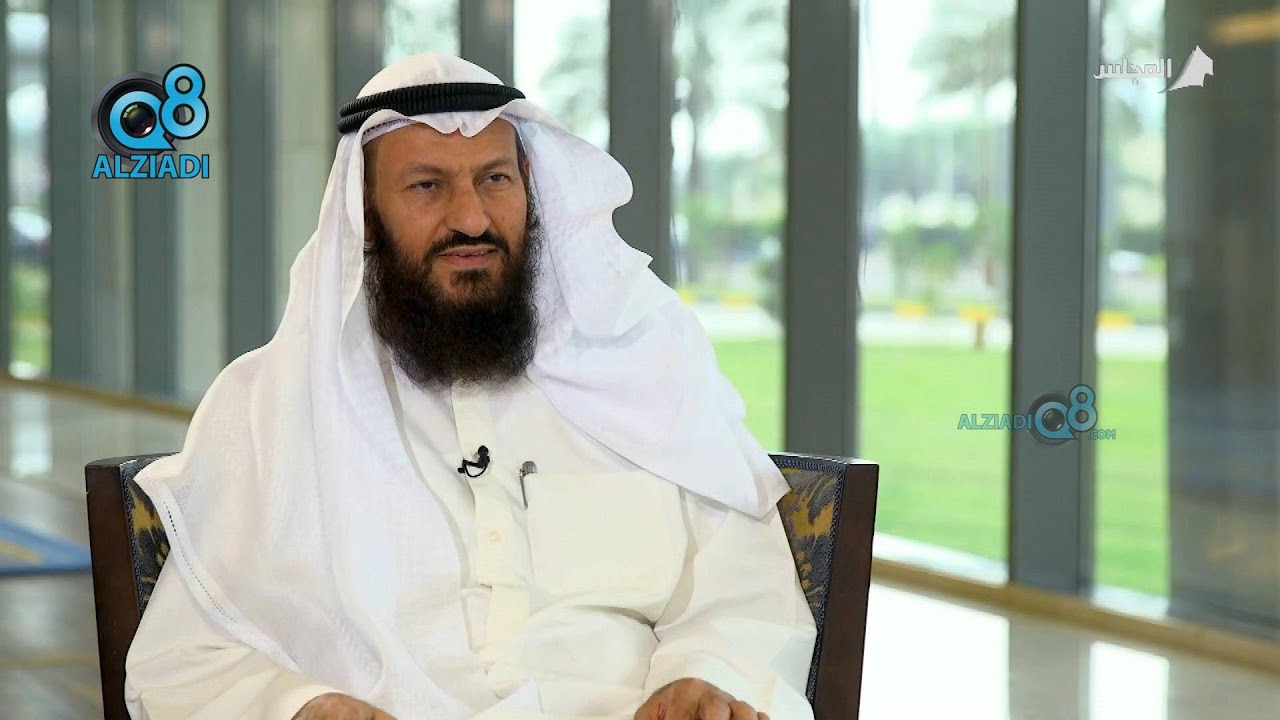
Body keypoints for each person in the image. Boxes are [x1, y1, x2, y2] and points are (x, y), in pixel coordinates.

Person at [124, 52, 816, 720]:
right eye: (427, 186)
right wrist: (300, 706)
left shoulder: (645, 364)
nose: (471, 219)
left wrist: (703, 676)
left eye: (494, 179)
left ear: (531, 187)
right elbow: (186, 656)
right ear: (365, 213)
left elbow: (744, 582)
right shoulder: (269, 407)